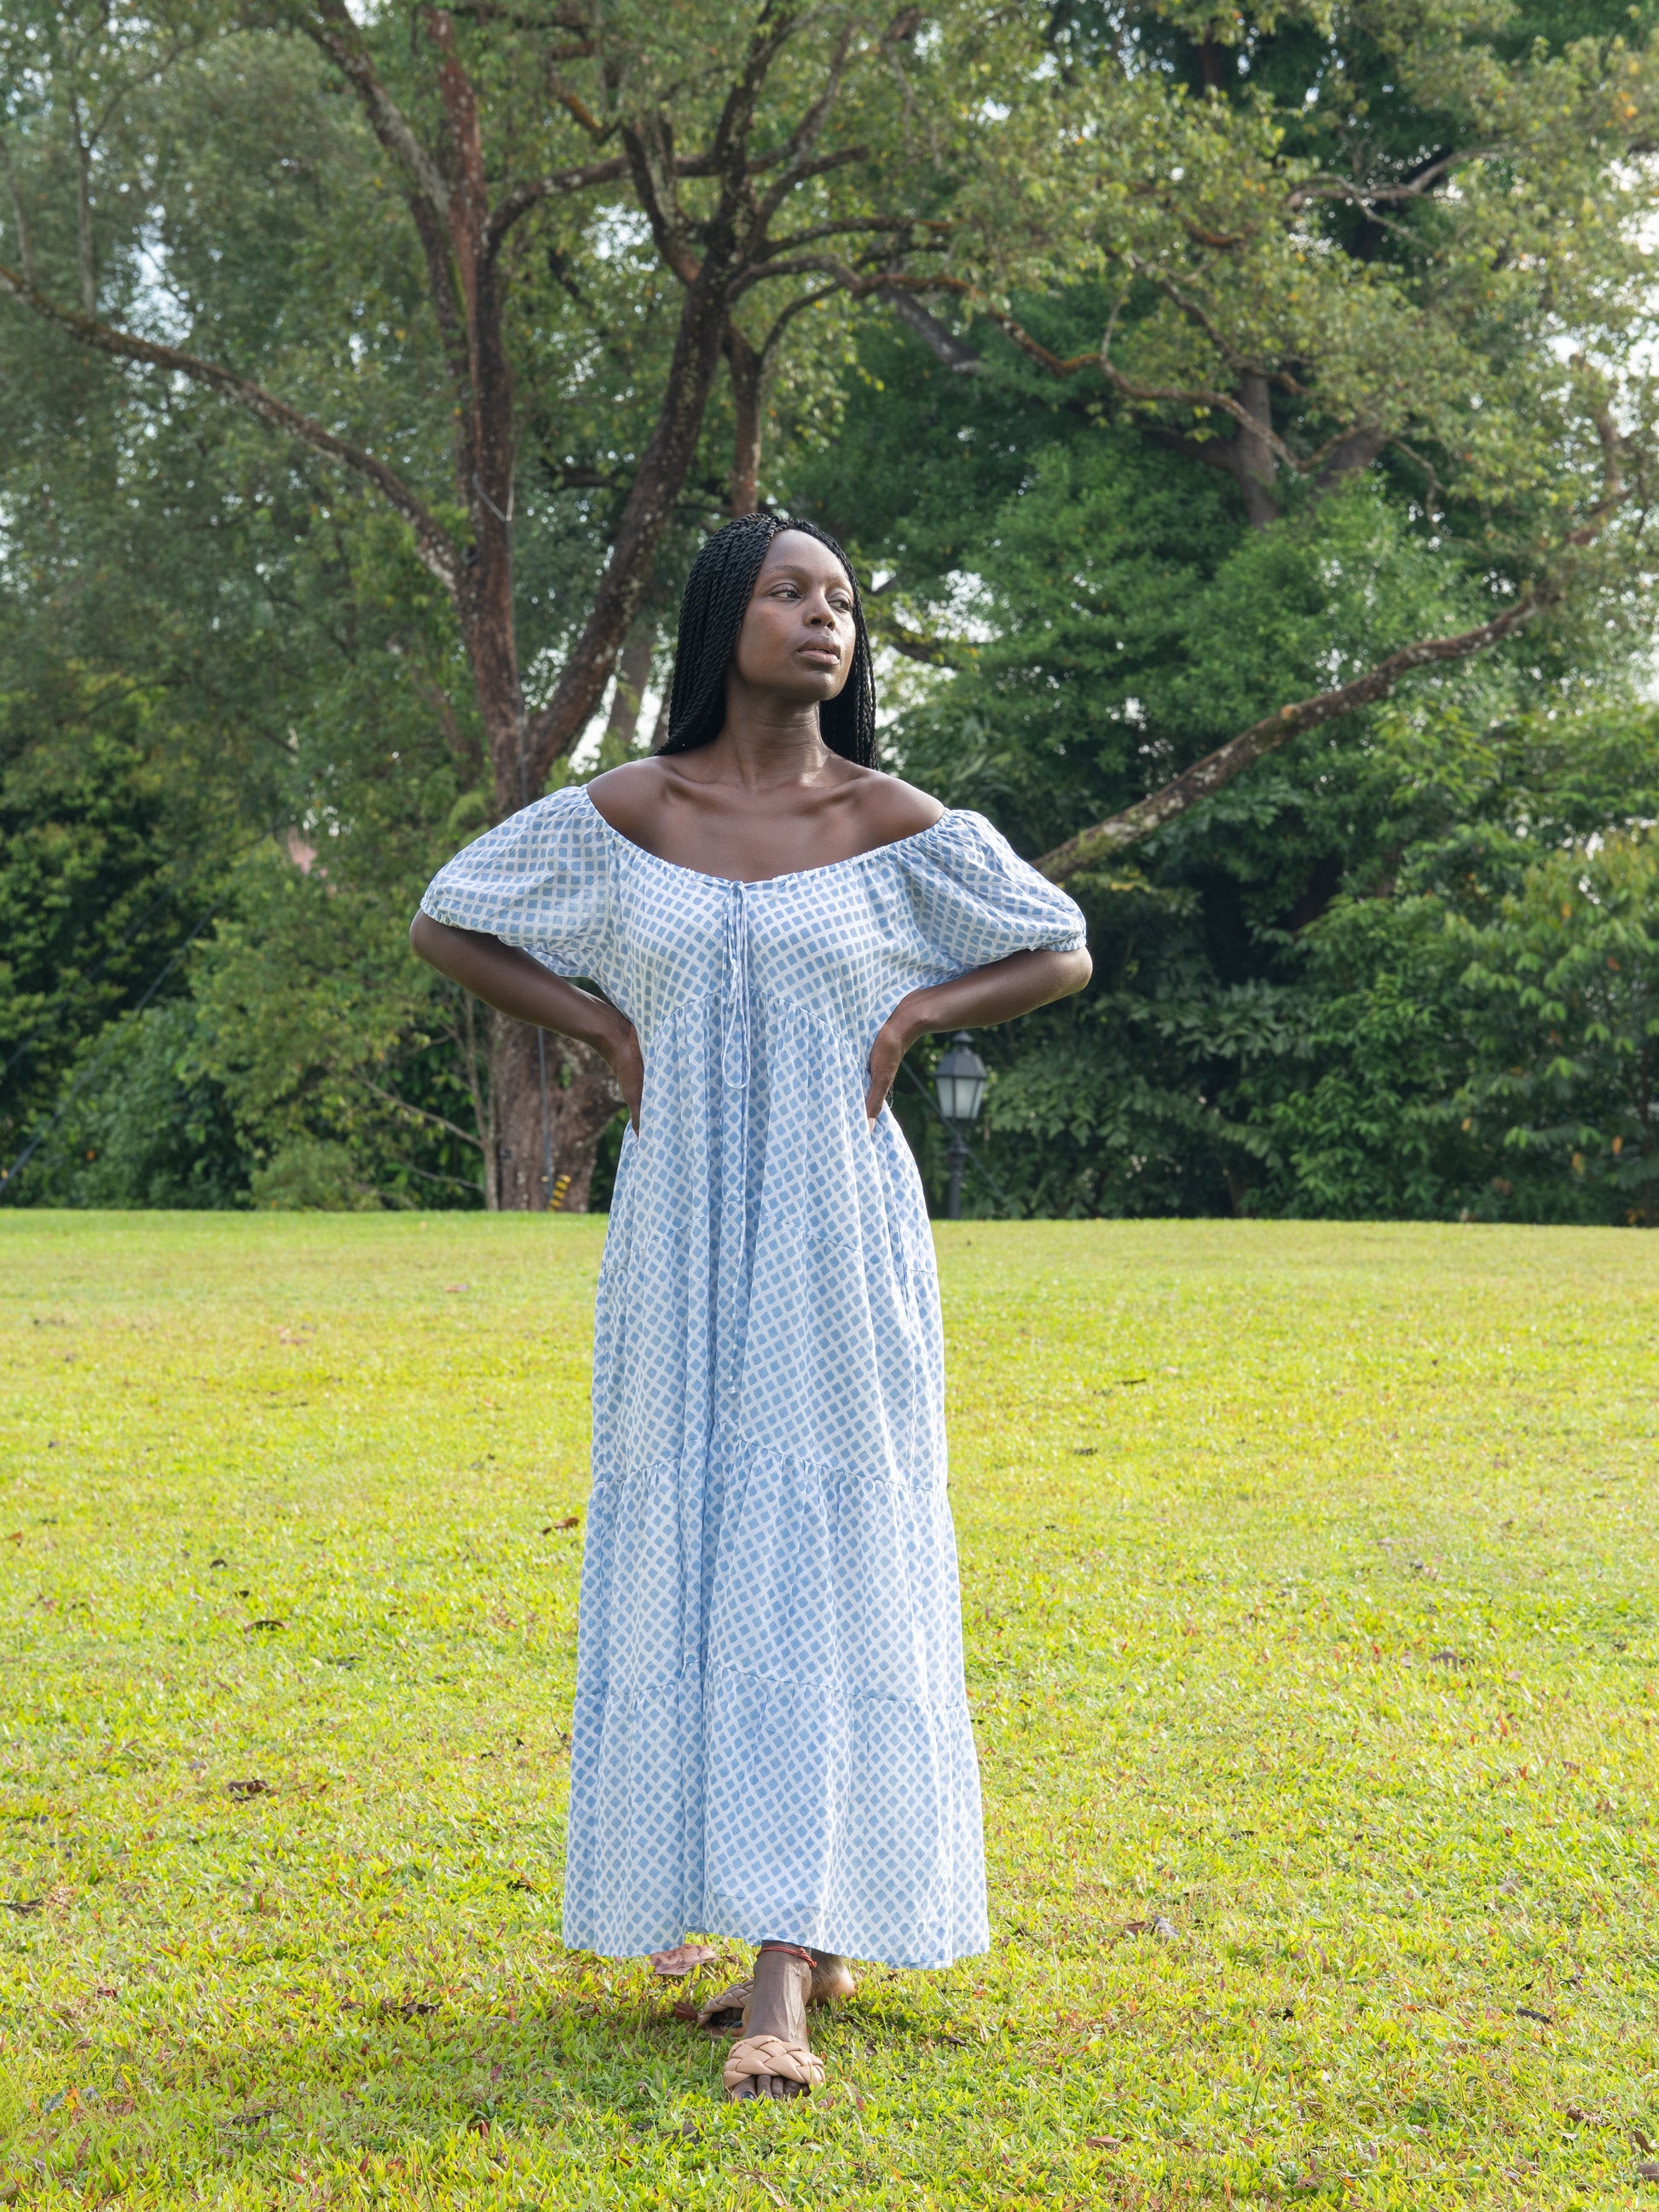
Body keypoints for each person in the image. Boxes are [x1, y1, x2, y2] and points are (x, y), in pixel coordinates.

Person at [410, 511, 1091, 2101]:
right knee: (698, 1531)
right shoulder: (631, 810)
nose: (823, 617)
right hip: (676, 1239)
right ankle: (791, 1923)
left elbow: (1058, 945)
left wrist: (916, 1013)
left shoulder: (889, 819)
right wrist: (602, 1030)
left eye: (842, 598)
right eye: (790, 592)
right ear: (723, 616)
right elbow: (448, 916)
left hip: (834, 1242)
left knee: (812, 1546)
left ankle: (786, 1970)